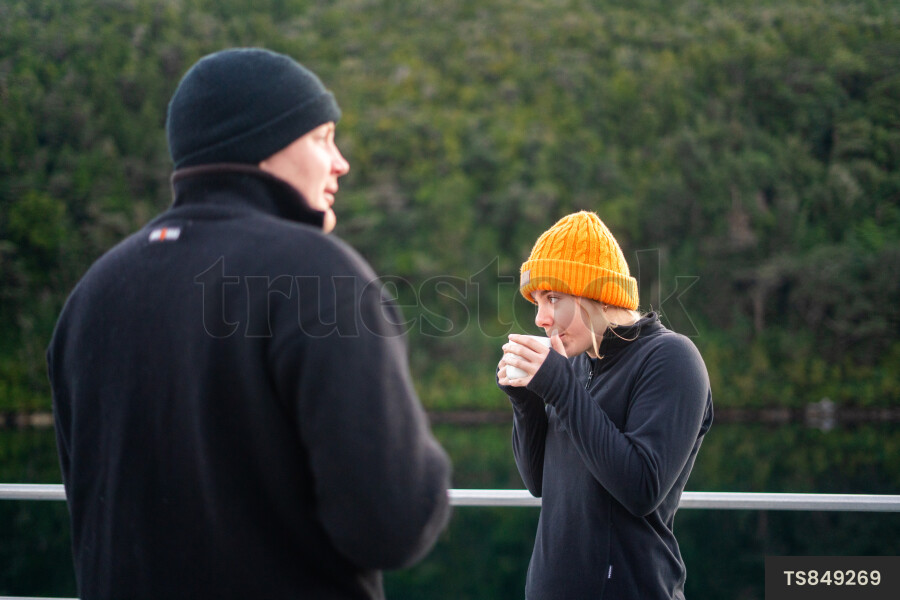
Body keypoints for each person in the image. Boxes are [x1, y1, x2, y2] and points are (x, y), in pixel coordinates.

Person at [47, 48, 452, 600]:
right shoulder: (318, 274)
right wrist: (426, 467)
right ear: (265, 143)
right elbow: (390, 524)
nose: (341, 163)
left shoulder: (93, 292)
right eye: (322, 137)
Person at [497, 211, 713, 599]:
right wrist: (527, 402)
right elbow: (539, 484)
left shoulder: (671, 358)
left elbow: (641, 489)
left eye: (553, 298)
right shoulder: (575, 361)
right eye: (536, 301)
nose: (541, 318)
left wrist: (559, 388)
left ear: (596, 295)